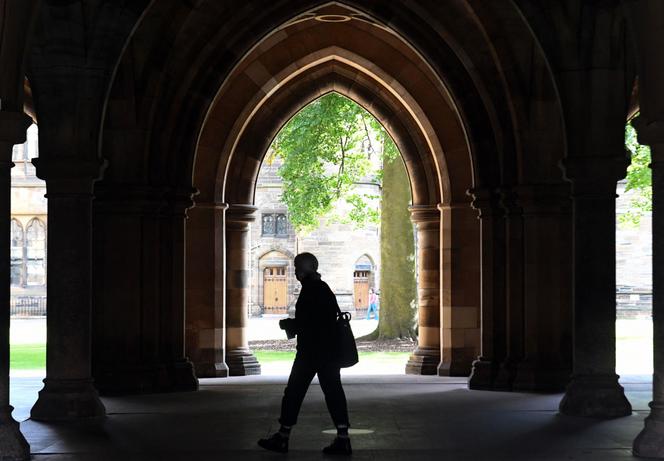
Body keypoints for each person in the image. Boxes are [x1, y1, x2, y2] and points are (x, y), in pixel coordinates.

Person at [258, 252, 352, 455]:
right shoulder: (323, 288)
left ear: (302, 270)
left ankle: (283, 437)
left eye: (296, 267)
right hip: (329, 353)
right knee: (334, 392)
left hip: (311, 353)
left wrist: (288, 324)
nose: (295, 272)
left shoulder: (311, 290)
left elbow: (310, 322)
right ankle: (343, 438)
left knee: (293, 393)